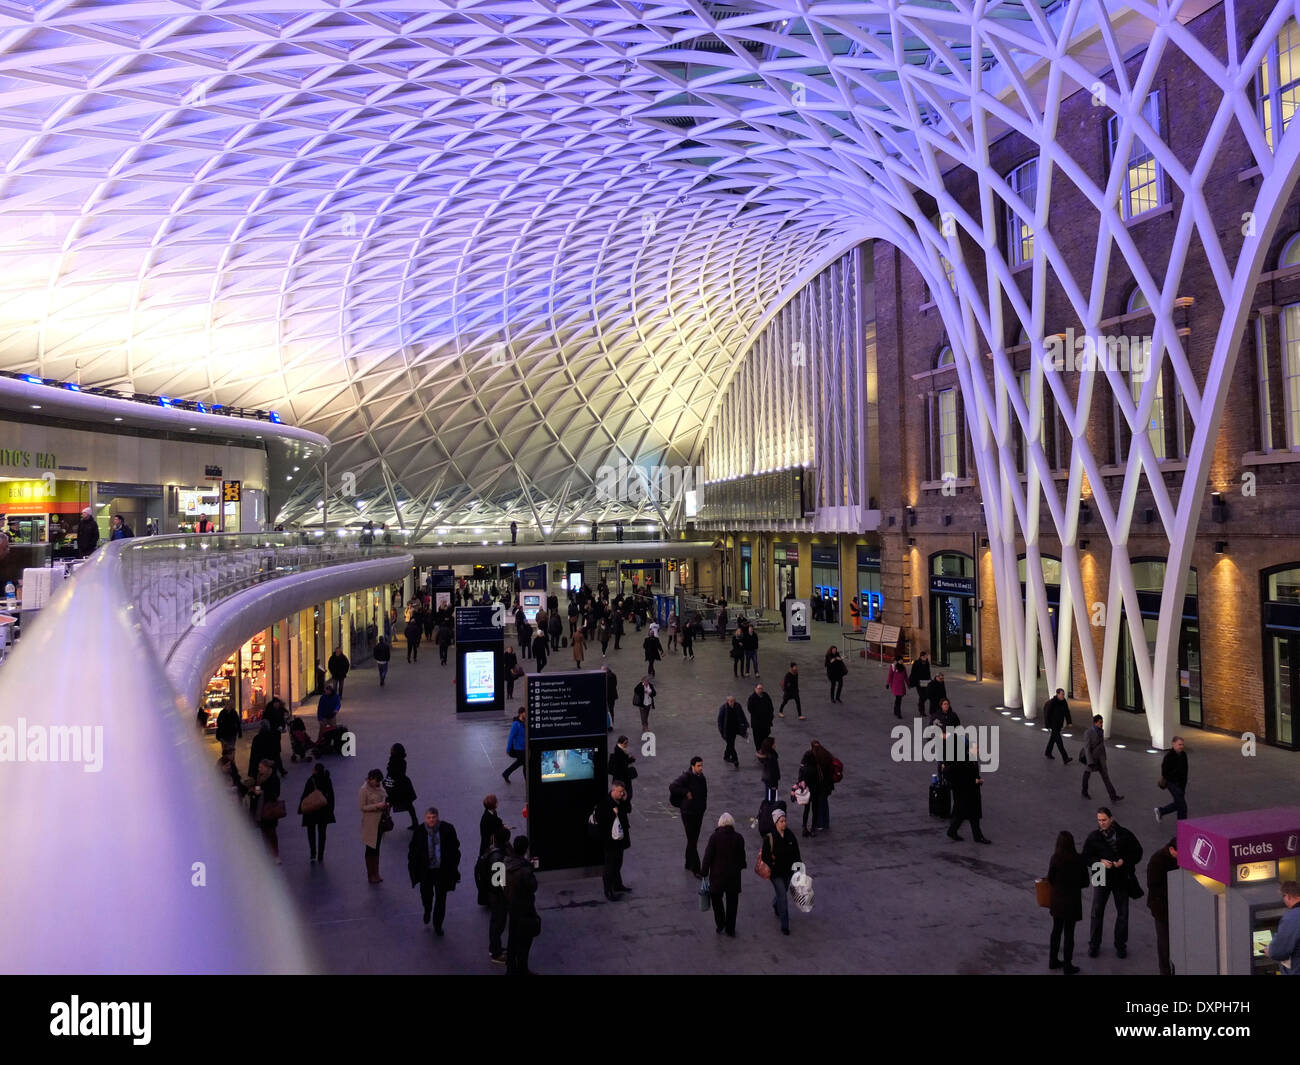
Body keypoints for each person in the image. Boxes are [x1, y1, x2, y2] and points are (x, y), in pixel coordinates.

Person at [1082, 807, 1143, 959]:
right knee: (1097, 912)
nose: (1101, 823)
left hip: (1120, 876)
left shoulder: (1125, 834)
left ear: (1111, 819)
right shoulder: (1094, 837)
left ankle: (1120, 945)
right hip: (1100, 874)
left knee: (1123, 913)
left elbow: (1137, 852)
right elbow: (1085, 857)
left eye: (1104, 820)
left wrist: (1124, 861)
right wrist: (1100, 862)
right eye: (1099, 820)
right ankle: (1094, 945)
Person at [407, 807, 462, 935]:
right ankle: (427, 909)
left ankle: (438, 924)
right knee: (426, 895)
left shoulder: (447, 829)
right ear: (425, 818)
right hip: (426, 872)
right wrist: (414, 869)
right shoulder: (420, 832)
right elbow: (413, 852)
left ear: (437, 817)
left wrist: (453, 865)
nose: (431, 820)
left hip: (441, 872)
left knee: (441, 899)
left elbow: (455, 847)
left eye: (433, 817)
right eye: (428, 818)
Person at [1046, 830, 1088, 974]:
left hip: (1057, 901)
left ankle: (1053, 959)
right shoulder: (1079, 860)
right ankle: (1067, 965)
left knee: (1056, 930)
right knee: (1069, 933)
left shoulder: (1055, 859)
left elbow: (1050, 879)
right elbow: (1085, 882)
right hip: (1072, 902)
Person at [702, 812, 747, 937]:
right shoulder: (739, 838)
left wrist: (704, 872)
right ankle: (730, 928)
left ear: (720, 824)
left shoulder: (714, 837)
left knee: (717, 901)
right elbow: (742, 857)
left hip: (717, 877)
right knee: (732, 903)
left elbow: (708, 856)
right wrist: (741, 866)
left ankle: (720, 923)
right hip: (734, 877)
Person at [761, 808, 802, 935]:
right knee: (783, 897)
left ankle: (775, 904)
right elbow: (765, 856)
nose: (784, 823)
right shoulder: (770, 838)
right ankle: (785, 925)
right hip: (776, 873)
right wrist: (772, 866)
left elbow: (796, 853)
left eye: (785, 820)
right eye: (781, 821)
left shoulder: (790, 835)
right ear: (776, 823)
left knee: (781, 893)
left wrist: (799, 868)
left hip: (788, 871)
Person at [504, 835, 541, 975]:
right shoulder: (525, 870)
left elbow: (499, 883)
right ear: (525, 849)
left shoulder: (505, 862)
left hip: (511, 906)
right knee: (525, 941)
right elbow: (533, 887)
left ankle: (510, 967)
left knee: (512, 938)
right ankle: (522, 968)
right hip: (524, 907)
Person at [945, 740, 991, 844]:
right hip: (965, 793)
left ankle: (973, 835)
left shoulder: (971, 759)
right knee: (967, 814)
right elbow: (960, 776)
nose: (979, 750)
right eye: (977, 748)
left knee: (971, 815)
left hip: (970, 792)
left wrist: (977, 780)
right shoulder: (964, 761)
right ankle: (974, 836)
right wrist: (975, 781)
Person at [669, 757, 708, 877]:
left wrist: (703, 807)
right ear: (692, 766)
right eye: (698, 766)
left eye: (701, 765)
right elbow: (672, 787)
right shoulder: (686, 776)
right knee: (692, 839)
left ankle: (688, 862)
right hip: (688, 813)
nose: (701, 768)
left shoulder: (701, 777)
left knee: (693, 839)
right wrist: (686, 792)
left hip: (698, 812)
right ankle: (696, 868)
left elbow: (704, 793)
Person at [1146, 836, 1179, 976]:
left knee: (1175, 941)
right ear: (1172, 849)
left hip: (1175, 906)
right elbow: (1154, 886)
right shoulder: (1157, 860)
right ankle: (1165, 971)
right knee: (1164, 943)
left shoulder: (1175, 858)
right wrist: (1174, 893)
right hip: (1161, 909)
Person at [595, 781, 632, 901]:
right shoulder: (605, 803)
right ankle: (608, 890)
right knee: (610, 865)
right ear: (613, 790)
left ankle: (617, 884)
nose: (622, 794)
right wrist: (613, 813)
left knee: (618, 862)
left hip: (620, 839)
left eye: (623, 792)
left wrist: (625, 800)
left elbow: (628, 810)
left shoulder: (621, 801)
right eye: (620, 792)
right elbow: (602, 821)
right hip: (610, 840)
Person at [480, 824, 512, 961]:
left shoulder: (492, 850)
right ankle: (496, 952)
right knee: (498, 923)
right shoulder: (498, 857)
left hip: (493, 894)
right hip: (498, 896)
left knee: (497, 922)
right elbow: (498, 881)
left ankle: (496, 948)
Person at [299, 763, 336, 864]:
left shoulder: (311, 780)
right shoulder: (327, 780)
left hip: (311, 812)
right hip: (324, 811)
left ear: (315, 770)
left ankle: (312, 854)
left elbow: (304, 795)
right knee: (322, 833)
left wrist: (301, 809)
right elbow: (331, 796)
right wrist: (331, 810)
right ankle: (320, 854)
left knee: (311, 832)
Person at [1081, 715, 1124, 802]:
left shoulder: (1101, 731)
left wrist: (1104, 757)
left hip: (1101, 759)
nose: (1102, 724)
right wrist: (1090, 761)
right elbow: (1087, 748)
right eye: (1100, 722)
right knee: (1087, 775)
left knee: (1105, 777)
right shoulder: (1088, 733)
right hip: (1092, 759)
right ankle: (1084, 791)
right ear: (1095, 722)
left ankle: (1113, 796)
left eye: (1102, 722)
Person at [360, 769, 391, 884]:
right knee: (370, 849)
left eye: (379, 782)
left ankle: (376, 873)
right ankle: (370, 875)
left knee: (377, 848)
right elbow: (362, 807)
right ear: (370, 778)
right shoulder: (363, 790)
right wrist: (377, 806)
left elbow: (384, 795)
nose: (378, 784)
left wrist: (385, 805)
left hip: (379, 822)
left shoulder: (379, 786)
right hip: (370, 823)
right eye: (376, 781)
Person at [249, 759, 283, 863]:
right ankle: (269, 854)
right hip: (260, 808)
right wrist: (256, 791)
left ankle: (275, 854)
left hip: (269, 808)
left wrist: (262, 793)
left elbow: (276, 793)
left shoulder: (274, 779)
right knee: (264, 832)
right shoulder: (259, 778)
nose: (259, 769)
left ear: (267, 768)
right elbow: (258, 789)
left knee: (271, 832)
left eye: (261, 767)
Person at [1267, 881, 1300, 975]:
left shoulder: (1292, 917)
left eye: (1283, 897)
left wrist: (1269, 950)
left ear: (1288, 896)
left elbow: (1278, 952)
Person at [1155, 736, 1189, 823]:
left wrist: (1183, 785)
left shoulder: (1183, 755)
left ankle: (1161, 811)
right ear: (1173, 744)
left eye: (1182, 744)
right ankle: (1182, 829)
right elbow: (1165, 772)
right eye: (1179, 744)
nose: (1181, 746)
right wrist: (1173, 779)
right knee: (1183, 807)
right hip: (1172, 783)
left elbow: (1185, 771)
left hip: (1181, 784)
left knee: (1178, 803)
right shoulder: (1168, 757)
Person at [386, 743, 419, 830]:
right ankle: (415, 822)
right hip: (403, 786)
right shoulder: (401, 761)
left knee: (388, 803)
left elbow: (392, 774)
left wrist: (387, 784)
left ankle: (384, 823)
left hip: (396, 787)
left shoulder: (393, 761)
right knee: (409, 805)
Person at [717, 695, 748, 769]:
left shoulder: (737, 706)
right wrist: (721, 730)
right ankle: (735, 759)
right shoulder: (723, 708)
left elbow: (742, 715)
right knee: (731, 744)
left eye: (733, 701)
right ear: (727, 701)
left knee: (731, 743)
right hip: (726, 730)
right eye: (731, 701)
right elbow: (720, 721)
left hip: (734, 729)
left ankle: (726, 756)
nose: (732, 702)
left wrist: (745, 724)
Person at [1043, 688, 1073, 762]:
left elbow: (1067, 712)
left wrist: (1069, 722)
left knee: (1052, 739)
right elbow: (1047, 714)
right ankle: (1065, 758)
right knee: (1059, 742)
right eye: (1062, 694)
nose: (1063, 695)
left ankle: (1048, 752)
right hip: (1053, 725)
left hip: (1059, 724)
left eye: (1064, 694)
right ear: (1058, 694)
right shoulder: (1052, 702)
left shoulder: (1064, 702)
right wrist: (1047, 725)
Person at [748, 682, 775, 754]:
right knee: (757, 737)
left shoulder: (766, 695)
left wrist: (770, 715)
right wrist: (759, 715)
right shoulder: (752, 698)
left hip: (766, 722)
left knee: (766, 734)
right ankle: (759, 749)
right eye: (759, 689)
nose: (760, 690)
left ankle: (764, 747)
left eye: (761, 688)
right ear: (755, 689)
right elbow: (750, 709)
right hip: (757, 723)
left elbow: (770, 706)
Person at [503, 707, 527, 783]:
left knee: (520, 762)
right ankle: (527, 782)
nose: (526, 714)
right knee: (525, 764)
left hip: (525, 747)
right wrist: (508, 748)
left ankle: (506, 773)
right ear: (521, 713)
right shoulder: (516, 724)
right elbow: (511, 736)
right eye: (525, 713)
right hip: (519, 748)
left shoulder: (525, 722)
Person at [609, 735, 637, 800]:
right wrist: (631, 760)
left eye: (627, 743)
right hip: (622, 777)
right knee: (625, 790)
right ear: (620, 743)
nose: (627, 744)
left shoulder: (620, 749)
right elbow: (623, 764)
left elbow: (623, 762)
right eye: (625, 743)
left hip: (621, 776)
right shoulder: (620, 752)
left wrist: (630, 759)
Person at [908, 650, 932, 717]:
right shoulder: (916, 663)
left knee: (926, 696)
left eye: (926, 656)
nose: (926, 657)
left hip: (926, 682)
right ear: (921, 656)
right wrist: (912, 682)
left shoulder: (927, 662)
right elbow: (913, 673)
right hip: (919, 682)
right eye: (924, 656)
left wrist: (930, 679)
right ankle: (922, 711)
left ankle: (920, 705)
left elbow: (928, 672)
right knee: (922, 696)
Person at [758, 736, 780, 802]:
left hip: (767, 778)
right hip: (771, 780)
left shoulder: (768, 754)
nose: (775, 745)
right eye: (774, 743)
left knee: (769, 796)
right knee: (771, 799)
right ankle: (769, 810)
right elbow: (773, 771)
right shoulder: (771, 757)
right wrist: (774, 784)